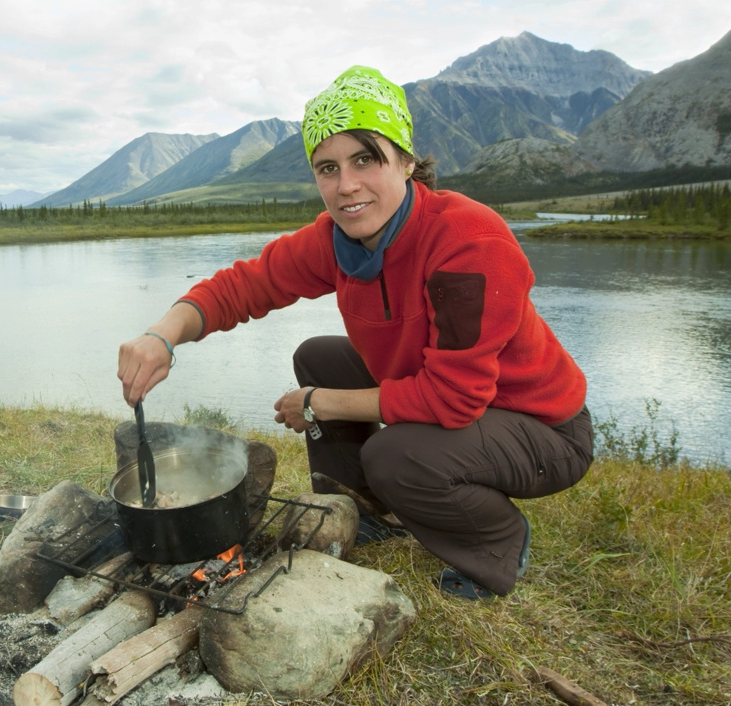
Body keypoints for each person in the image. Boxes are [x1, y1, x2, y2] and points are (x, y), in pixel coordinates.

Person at [117, 65, 594, 599]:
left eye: (365, 159)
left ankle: (496, 543)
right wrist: (163, 334)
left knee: (395, 455)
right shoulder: (338, 239)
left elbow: (455, 399)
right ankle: (364, 510)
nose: (346, 186)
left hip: (542, 429)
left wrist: (318, 402)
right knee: (318, 355)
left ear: (406, 161)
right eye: (328, 168)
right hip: (459, 401)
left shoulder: (468, 241)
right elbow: (243, 286)